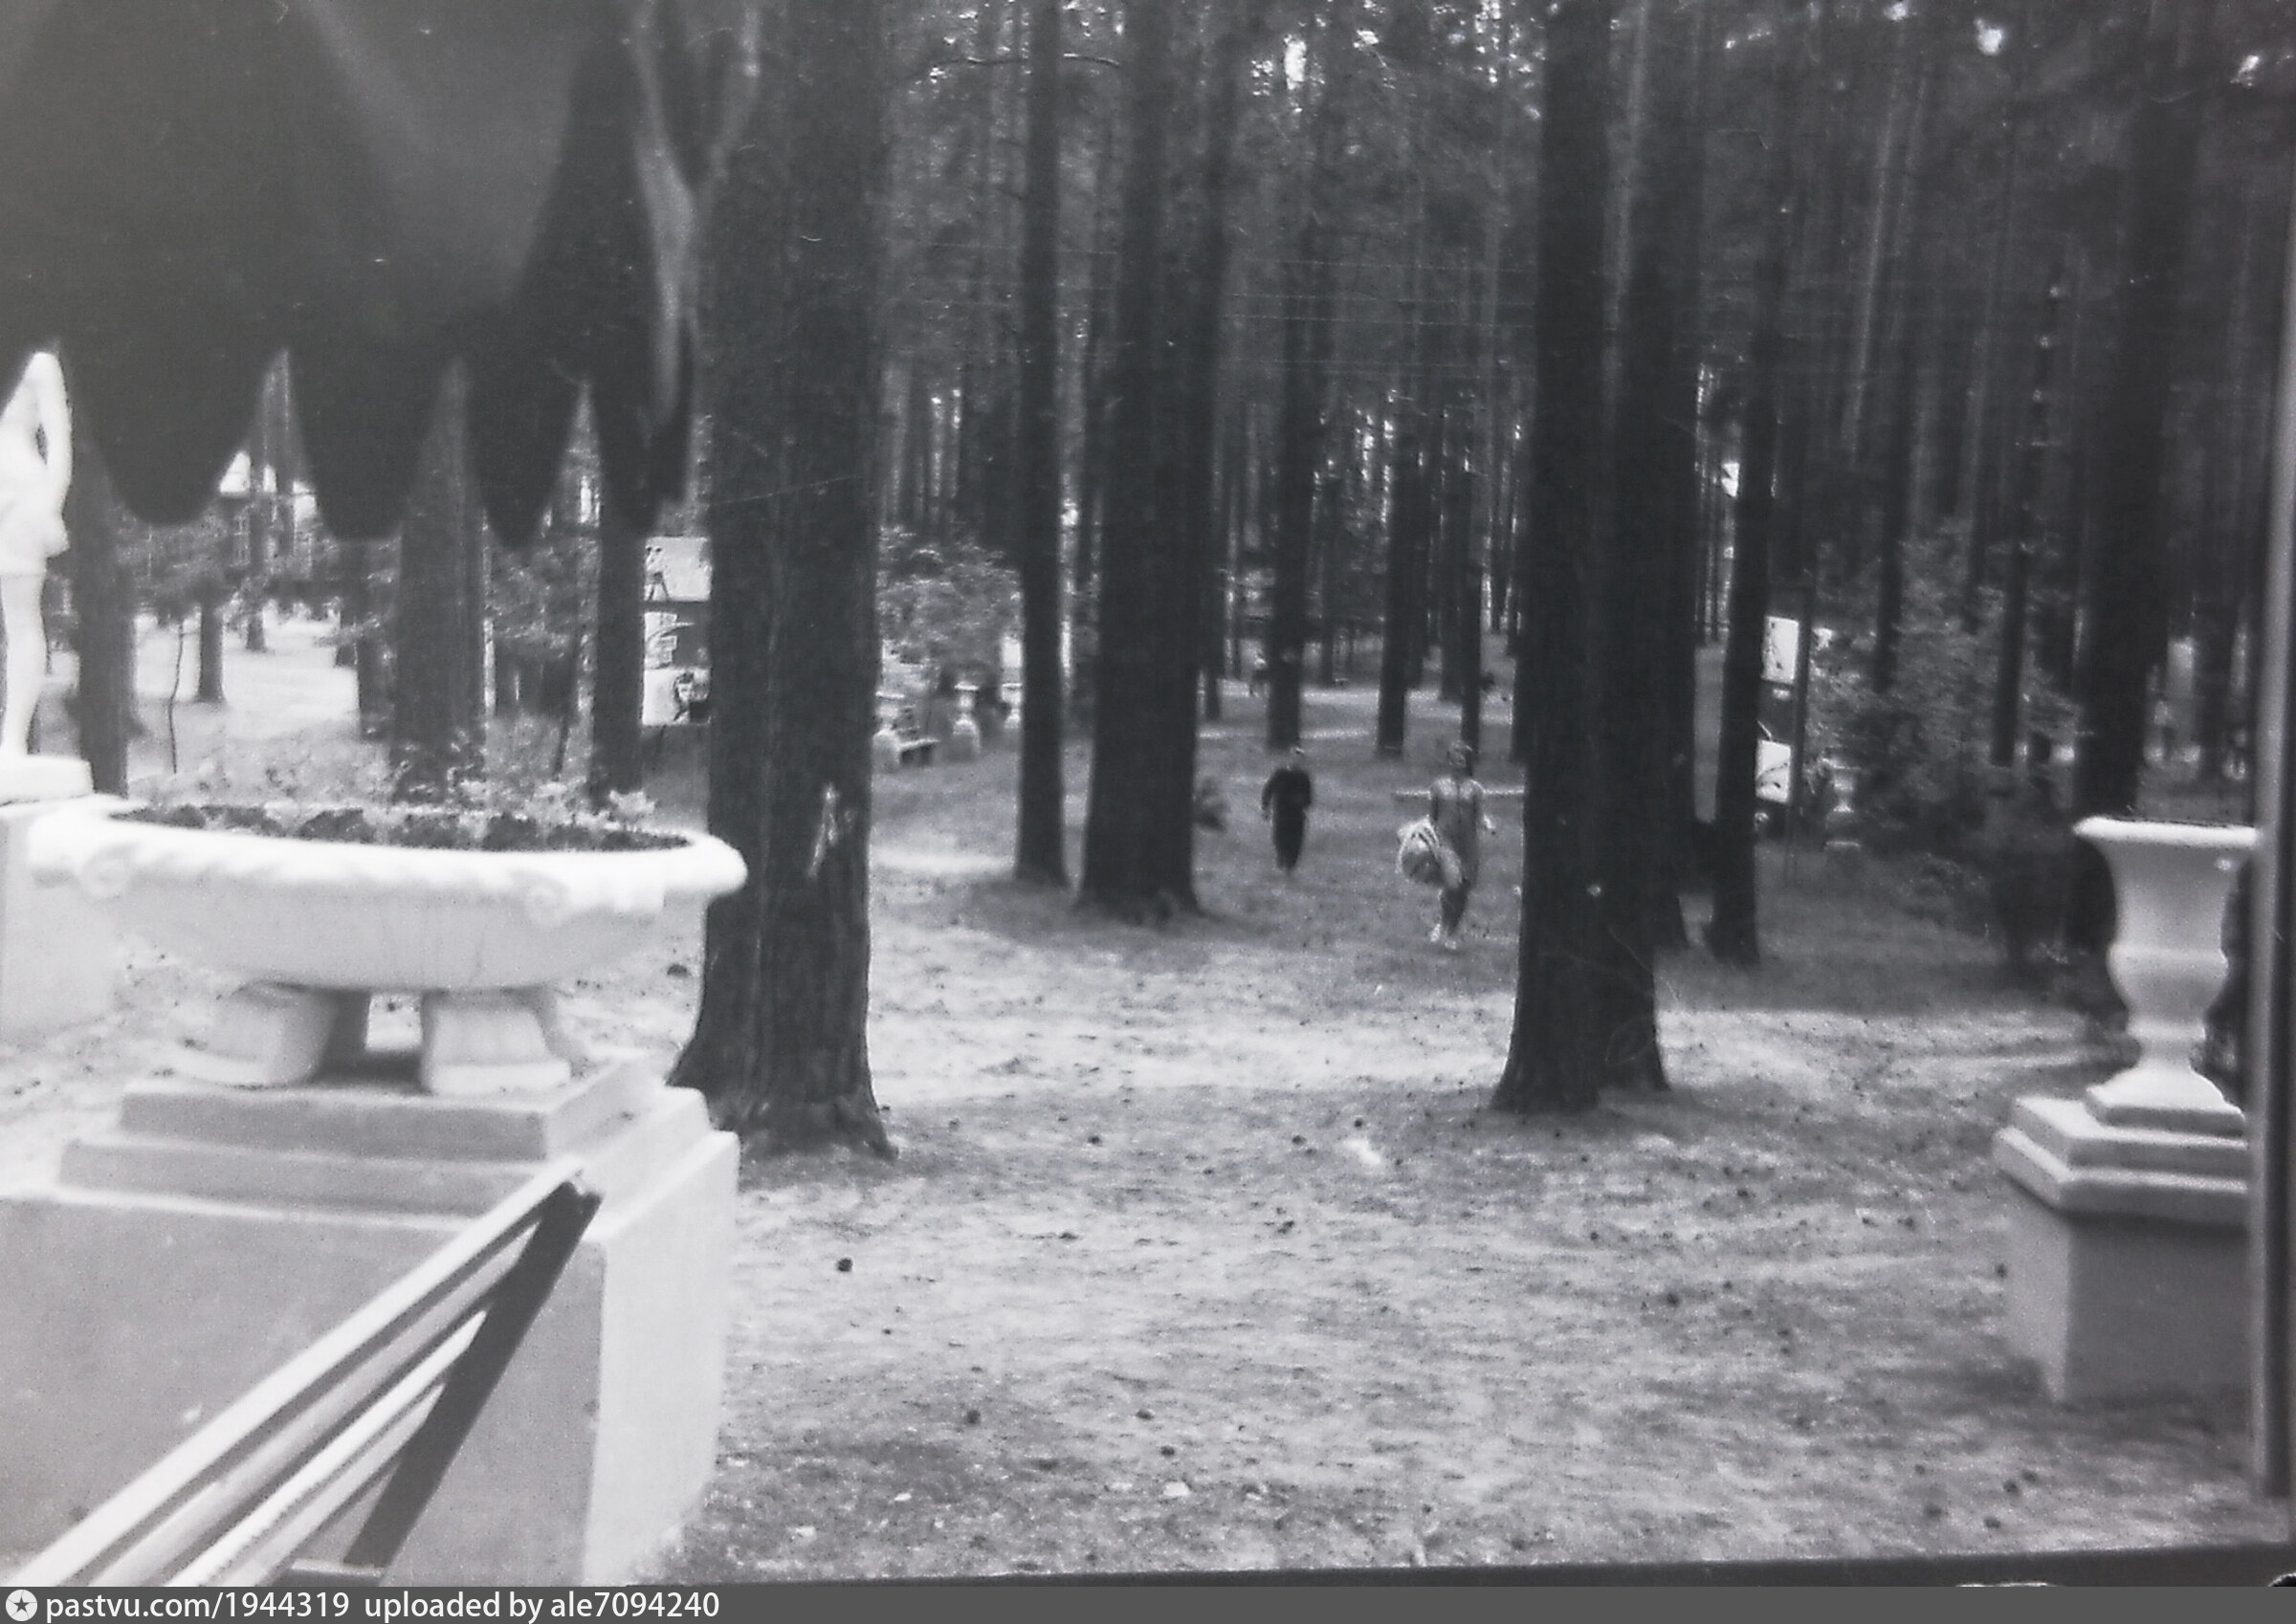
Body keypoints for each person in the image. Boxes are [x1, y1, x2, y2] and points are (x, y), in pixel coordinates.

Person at [0, 351, 71, 757]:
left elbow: (60, 445)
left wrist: (49, 507)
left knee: (22, 620)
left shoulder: (36, 363)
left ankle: (13, 738)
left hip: (18, 498)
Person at [1427, 740, 1497, 951]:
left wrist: (1488, 825)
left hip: (1468, 843)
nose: (1457, 764)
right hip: (1445, 840)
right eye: (1454, 760)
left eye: (1461, 760)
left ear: (1467, 763)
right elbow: (1432, 815)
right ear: (1448, 762)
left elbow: (1480, 815)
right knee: (1452, 884)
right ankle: (1443, 923)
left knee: (1463, 889)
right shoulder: (1438, 786)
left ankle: (1453, 930)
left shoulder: (1475, 789)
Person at [1260, 747, 1314, 875]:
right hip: (1282, 813)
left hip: (1297, 815)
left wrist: (1301, 801)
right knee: (1280, 838)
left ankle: (1290, 866)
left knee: (1296, 842)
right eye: (1294, 758)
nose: (1296, 762)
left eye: (1300, 759)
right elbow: (1268, 790)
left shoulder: (1304, 778)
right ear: (1290, 759)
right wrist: (1265, 807)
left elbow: (1309, 798)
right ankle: (1282, 859)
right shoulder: (1280, 774)